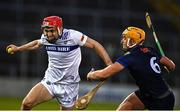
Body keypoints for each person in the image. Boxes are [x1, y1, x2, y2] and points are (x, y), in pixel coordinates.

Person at [6, 16, 112, 110]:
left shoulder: (73, 36)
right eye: (46, 31)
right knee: (26, 104)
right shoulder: (46, 38)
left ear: (59, 29)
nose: (48, 34)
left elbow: (95, 44)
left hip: (69, 86)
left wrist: (109, 65)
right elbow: (37, 43)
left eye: (51, 31)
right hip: (50, 81)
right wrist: (18, 48)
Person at [87, 26, 176, 110]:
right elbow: (172, 66)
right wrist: (168, 64)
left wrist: (91, 74)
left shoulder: (130, 57)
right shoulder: (151, 50)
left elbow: (104, 74)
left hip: (162, 100)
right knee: (125, 107)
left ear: (132, 41)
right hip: (146, 94)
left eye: (125, 38)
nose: (122, 41)